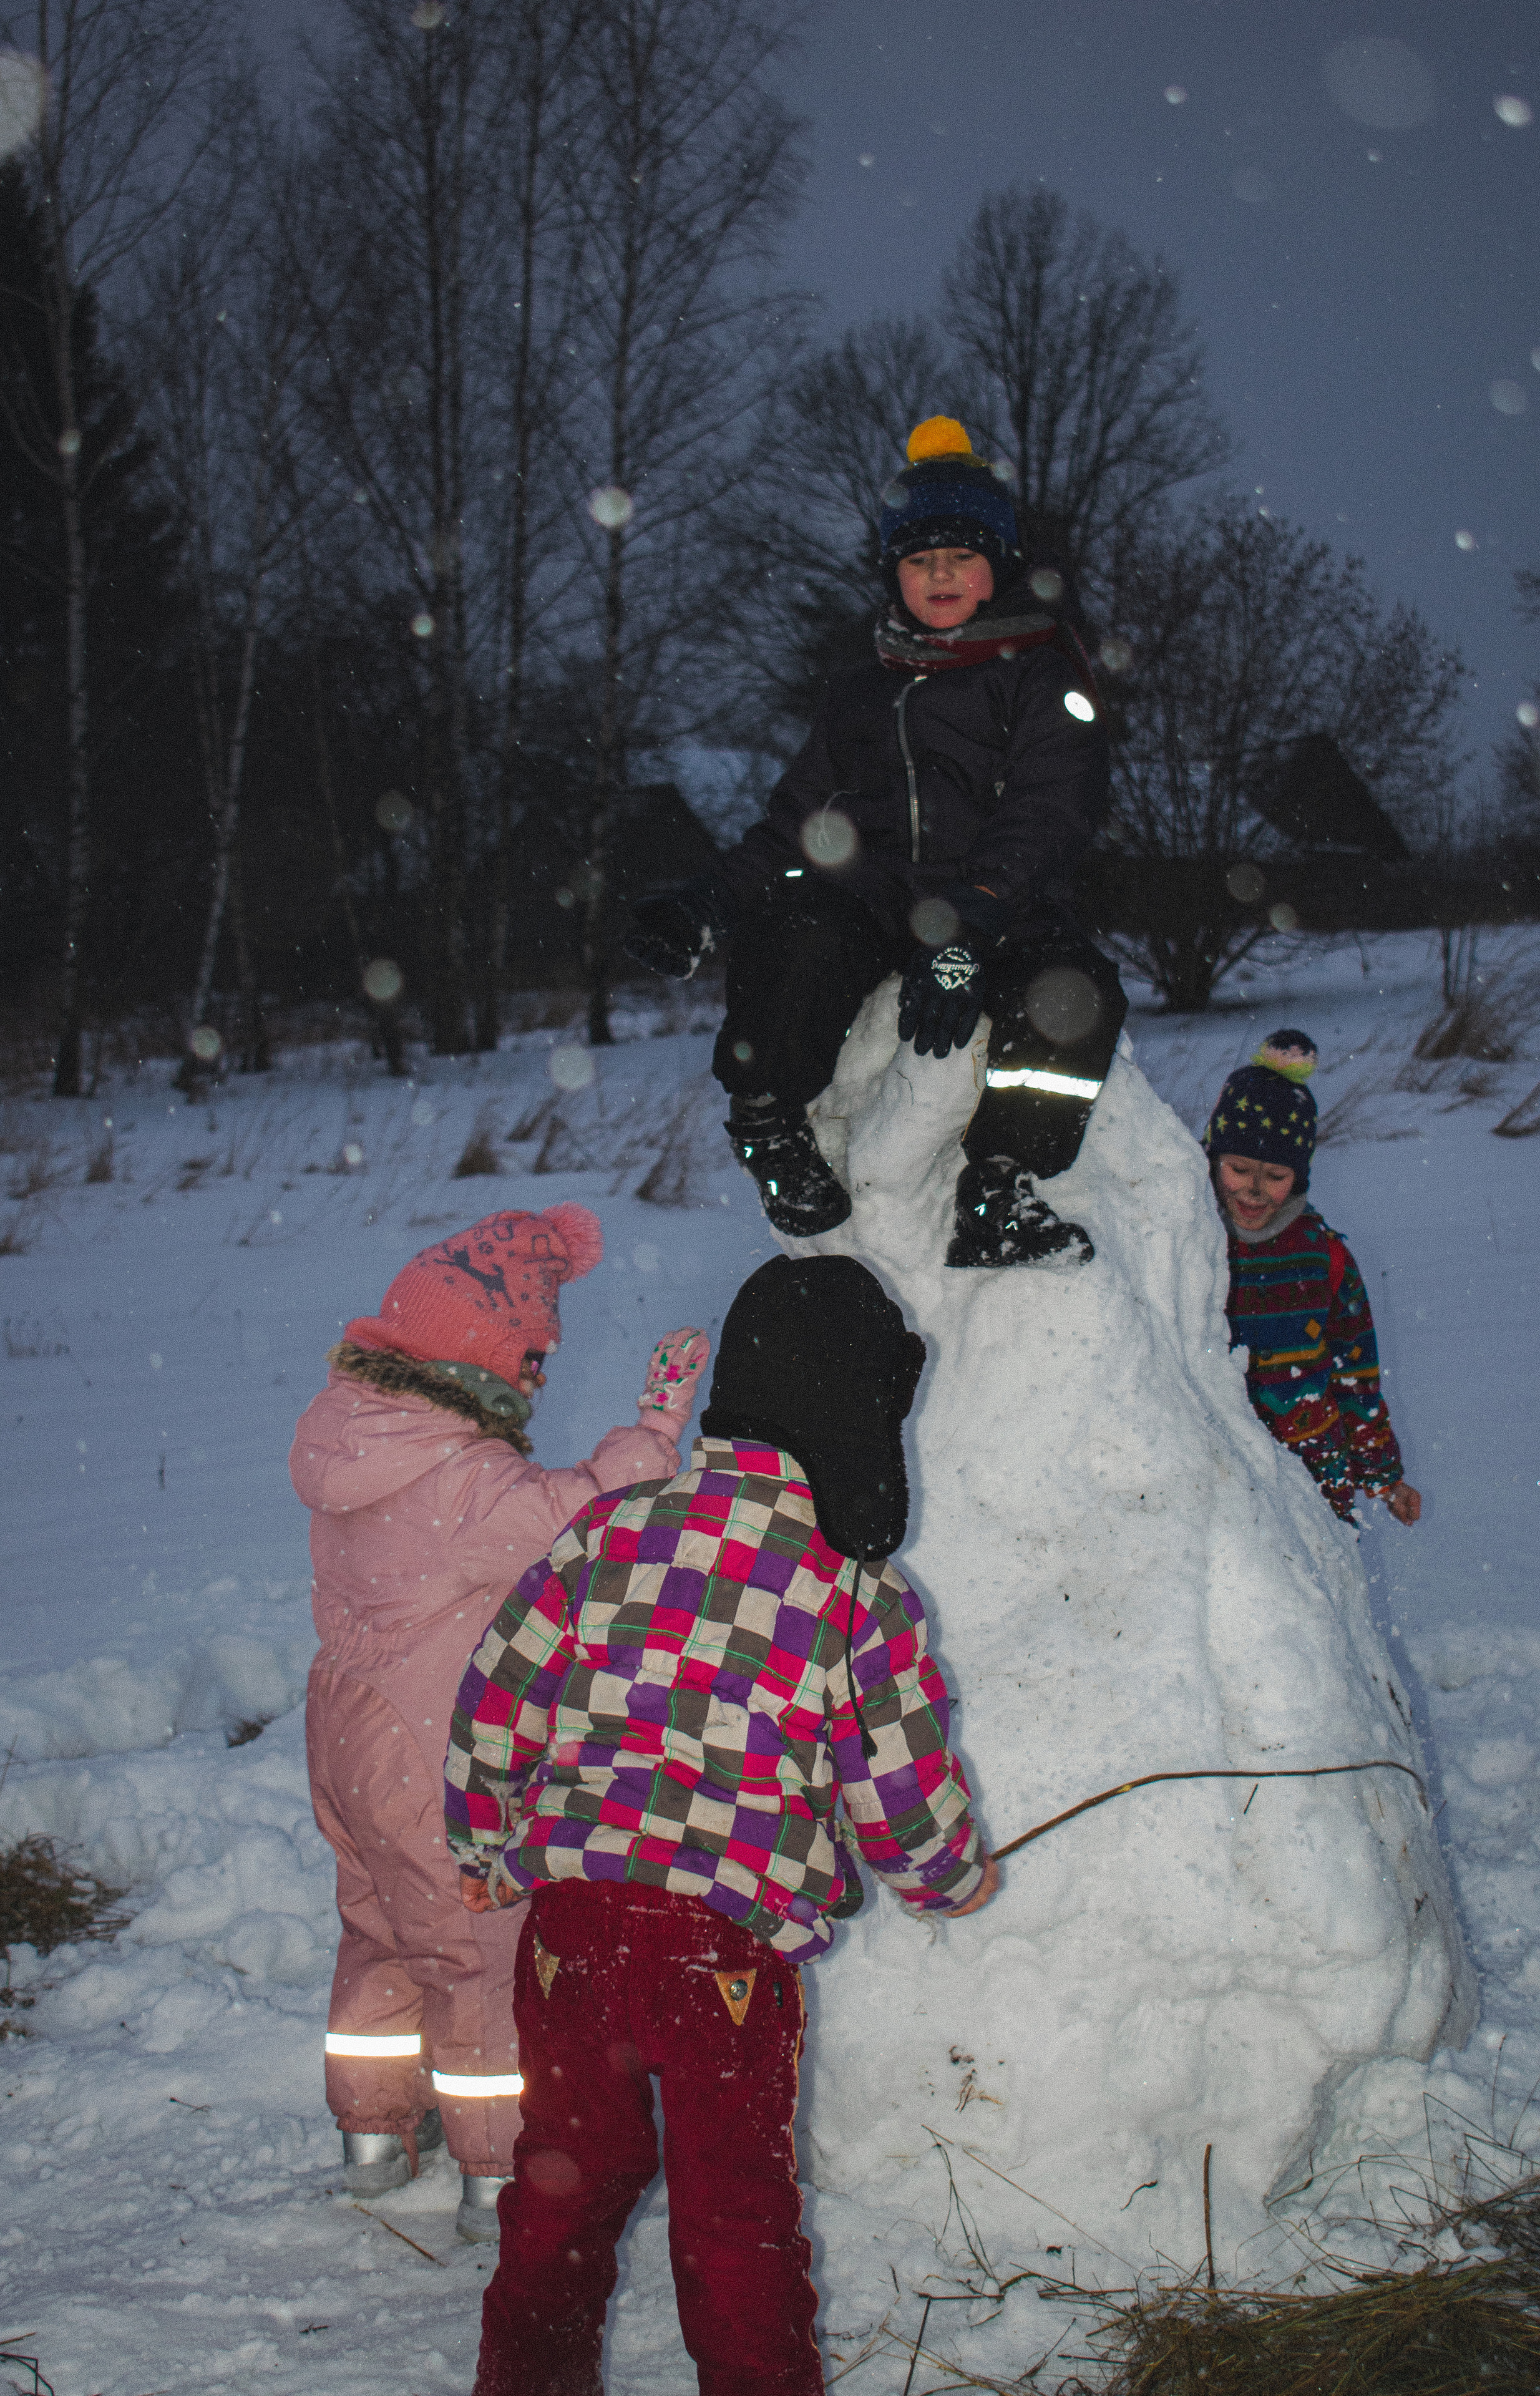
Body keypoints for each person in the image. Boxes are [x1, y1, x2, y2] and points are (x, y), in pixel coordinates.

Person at [444, 1253, 998, 2396]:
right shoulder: (856, 1594)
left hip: (575, 1934)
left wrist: (483, 1841)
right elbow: (896, 1787)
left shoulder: (612, 1530)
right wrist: (950, 1877)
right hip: (725, 1958)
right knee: (735, 2217)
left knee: (563, 2187)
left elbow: (500, 1692)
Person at [290, 1205, 708, 2244]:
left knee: (380, 1924)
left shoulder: (359, 1436)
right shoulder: (461, 1482)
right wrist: (655, 1431)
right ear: (475, 1357)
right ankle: (498, 2171)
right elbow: (587, 1515)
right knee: (476, 1945)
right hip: (426, 1745)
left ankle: (374, 2136)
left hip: (346, 1730)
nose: (539, 1381)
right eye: (531, 1358)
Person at [624, 414, 1127, 1268]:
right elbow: (797, 821)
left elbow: (1051, 809)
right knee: (796, 931)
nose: (940, 575)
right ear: (893, 573)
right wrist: (706, 902)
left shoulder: (1040, 676)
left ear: (999, 566)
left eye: (961, 557)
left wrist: (971, 925)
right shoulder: (862, 691)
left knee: (1076, 998)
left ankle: (999, 1184)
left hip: (1003, 910)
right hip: (879, 902)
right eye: (919, 560)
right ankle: (769, 1126)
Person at [1203, 1031, 1421, 1526]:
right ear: (1213, 1160)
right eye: (1239, 1169)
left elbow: (1356, 1373)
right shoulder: (1186, 1238)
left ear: (1299, 1176)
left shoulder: (1323, 1256)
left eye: (1276, 1176)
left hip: (1316, 1480)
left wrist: (1383, 1475)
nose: (1254, 1190)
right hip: (1219, 1472)